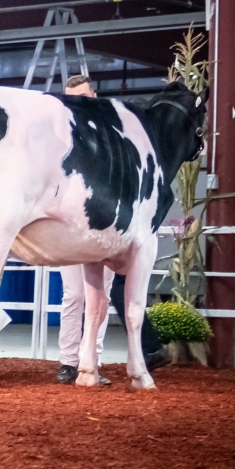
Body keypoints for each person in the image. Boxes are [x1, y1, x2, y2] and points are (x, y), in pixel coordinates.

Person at [54, 74, 167, 382]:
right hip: (67, 226)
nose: (76, 103)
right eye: (70, 98)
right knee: (74, 295)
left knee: (98, 297)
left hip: (102, 225)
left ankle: (92, 360)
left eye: (82, 97)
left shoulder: (111, 136)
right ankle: (68, 362)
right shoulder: (61, 134)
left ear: (94, 97)